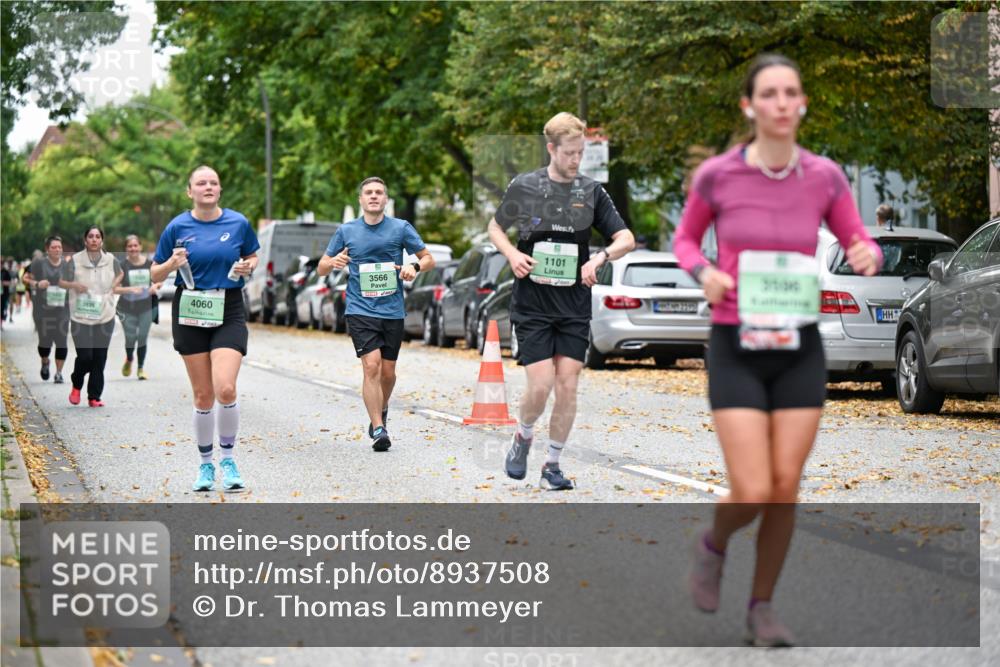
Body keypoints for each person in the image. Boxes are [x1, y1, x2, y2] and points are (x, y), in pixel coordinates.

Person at [673, 54, 882, 647]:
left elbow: (857, 237)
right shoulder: (718, 175)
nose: (783, 102)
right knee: (754, 484)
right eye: (770, 93)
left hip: (799, 344)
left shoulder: (824, 176)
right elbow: (686, 240)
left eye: (793, 92)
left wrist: (868, 254)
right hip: (736, 339)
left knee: (785, 483)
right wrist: (703, 272)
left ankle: (762, 608)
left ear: (802, 103)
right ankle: (713, 543)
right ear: (750, 105)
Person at [488, 112, 635, 490]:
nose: (576, 160)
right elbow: (495, 228)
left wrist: (600, 258)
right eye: (569, 153)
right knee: (540, 386)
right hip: (533, 303)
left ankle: (552, 464)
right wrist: (511, 254)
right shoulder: (525, 186)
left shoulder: (591, 191)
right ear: (551, 149)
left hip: (573, 304)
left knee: (567, 383)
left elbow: (626, 238)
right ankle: (523, 435)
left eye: (580, 152)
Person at [151, 165, 259, 492]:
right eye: (201, 183)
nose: (208, 187)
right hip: (191, 310)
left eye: (213, 182)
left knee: (225, 388)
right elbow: (155, 274)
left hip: (228, 308)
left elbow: (253, 257)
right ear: (190, 191)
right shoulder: (177, 226)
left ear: (220, 190)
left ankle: (228, 458)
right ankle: (205, 465)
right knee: (203, 395)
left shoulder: (238, 223)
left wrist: (246, 266)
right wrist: (172, 263)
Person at [318, 176, 434, 452]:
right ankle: (378, 429)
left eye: (379, 192)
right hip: (359, 309)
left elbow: (428, 258)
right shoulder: (346, 231)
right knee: (371, 366)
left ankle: (381, 410)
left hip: (392, 310)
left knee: (388, 372)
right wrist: (332, 262)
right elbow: (321, 267)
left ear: (385, 199)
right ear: (361, 199)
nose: (373, 196)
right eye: (368, 192)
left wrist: (413, 268)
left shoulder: (400, 228)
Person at [59, 226, 126, 407]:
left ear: (102, 240)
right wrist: (74, 285)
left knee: (100, 356)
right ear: (85, 240)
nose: (94, 239)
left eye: (97, 237)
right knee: (86, 356)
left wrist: (112, 286)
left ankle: (94, 396)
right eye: (91, 236)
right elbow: (61, 281)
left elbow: (121, 274)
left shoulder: (111, 259)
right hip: (81, 315)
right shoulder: (74, 260)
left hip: (105, 314)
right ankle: (77, 383)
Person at [24, 236, 70, 383]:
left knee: (62, 341)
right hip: (42, 310)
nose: (57, 250)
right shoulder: (38, 264)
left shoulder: (67, 265)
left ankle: (58, 373)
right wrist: (37, 283)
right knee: (45, 342)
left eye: (59, 247)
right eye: (54, 247)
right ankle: (45, 361)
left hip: (62, 309)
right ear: (47, 249)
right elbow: (25, 278)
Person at [118, 235, 161, 380]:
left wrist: (154, 287)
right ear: (126, 249)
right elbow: (114, 288)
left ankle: (141, 368)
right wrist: (129, 289)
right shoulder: (122, 266)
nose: (133, 248)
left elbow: (160, 280)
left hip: (146, 306)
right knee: (130, 338)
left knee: (142, 336)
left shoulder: (150, 264)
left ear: (140, 247)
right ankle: (129, 358)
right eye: (130, 246)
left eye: (135, 245)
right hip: (126, 307)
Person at [1, 259, 12, 326]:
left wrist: (2, 283)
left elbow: (9, 282)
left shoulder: (5, 272)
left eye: (1, 263)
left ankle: (1, 323)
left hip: (4, 293)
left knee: (2, 307)